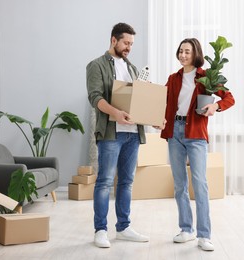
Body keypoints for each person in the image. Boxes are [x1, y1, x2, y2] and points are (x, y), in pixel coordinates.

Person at [160, 38, 235, 251]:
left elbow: (229, 98)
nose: (183, 55)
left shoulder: (206, 77)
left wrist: (215, 107)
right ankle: (186, 229)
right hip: (175, 132)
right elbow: (163, 102)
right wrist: (158, 117)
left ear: (196, 54)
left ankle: (204, 234)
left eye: (187, 52)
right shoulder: (173, 79)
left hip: (196, 134)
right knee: (179, 185)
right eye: (181, 51)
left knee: (200, 184)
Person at [86, 22, 149, 248]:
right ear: (113, 40)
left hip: (133, 133)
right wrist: (116, 113)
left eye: (131, 44)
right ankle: (100, 230)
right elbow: (95, 98)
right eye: (125, 42)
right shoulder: (96, 65)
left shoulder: (133, 68)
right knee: (104, 182)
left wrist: (154, 118)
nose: (129, 47)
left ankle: (123, 227)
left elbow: (141, 101)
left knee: (126, 182)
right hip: (112, 133)